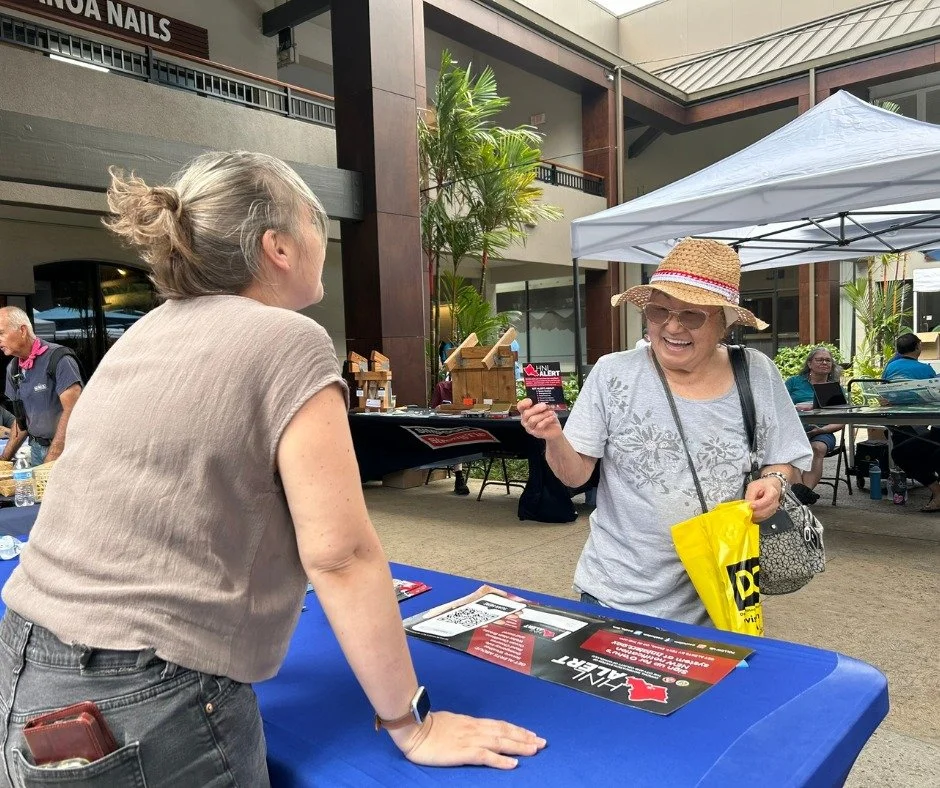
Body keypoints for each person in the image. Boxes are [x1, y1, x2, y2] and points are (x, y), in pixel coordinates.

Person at [0, 152, 544, 785]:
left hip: (27, 659)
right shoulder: (289, 338)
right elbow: (340, 556)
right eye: (316, 221)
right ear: (278, 246)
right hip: (144, 694)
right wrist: (411, 722)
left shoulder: (144, 332)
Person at [518, 238, 811, 626]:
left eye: (692, 316)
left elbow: (784, 453)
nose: (672, 327)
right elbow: (575, 475)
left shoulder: (755, 371)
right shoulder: (612, 373)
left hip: (721, 593)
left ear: (723, 323)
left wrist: (774, 483)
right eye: (659, 311)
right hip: (616, 592)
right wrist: (554, 437)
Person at [0, 307, 83, 466]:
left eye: (1, 333)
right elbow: (21, 420)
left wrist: (50, 460)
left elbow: (73, 410)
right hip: (36, 449)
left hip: (67, 451)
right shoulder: (13, 368)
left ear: (22, 330)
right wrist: (4, 459)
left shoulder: (59, 359)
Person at [882, 334, 940, 510]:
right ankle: (937, 492)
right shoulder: (926, 370)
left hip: (903, 423)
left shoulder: (891, 367)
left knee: (906, 450)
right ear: (918, 347)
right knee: (904, 451)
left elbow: (884, 394)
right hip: (928, 426)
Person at [784, 347, 845, 505]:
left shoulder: (834, 389)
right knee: (792, 451)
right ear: (810, 363)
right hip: (795, 429)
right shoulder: (794, 382)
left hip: (822, 431)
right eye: (820, 359)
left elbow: (841, 420)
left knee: (817, 448)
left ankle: (803, 493)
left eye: (828, 360)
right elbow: (779, 405)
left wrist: (821, 430)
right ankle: (802, 494)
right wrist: (796, 407)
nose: (824, 363)